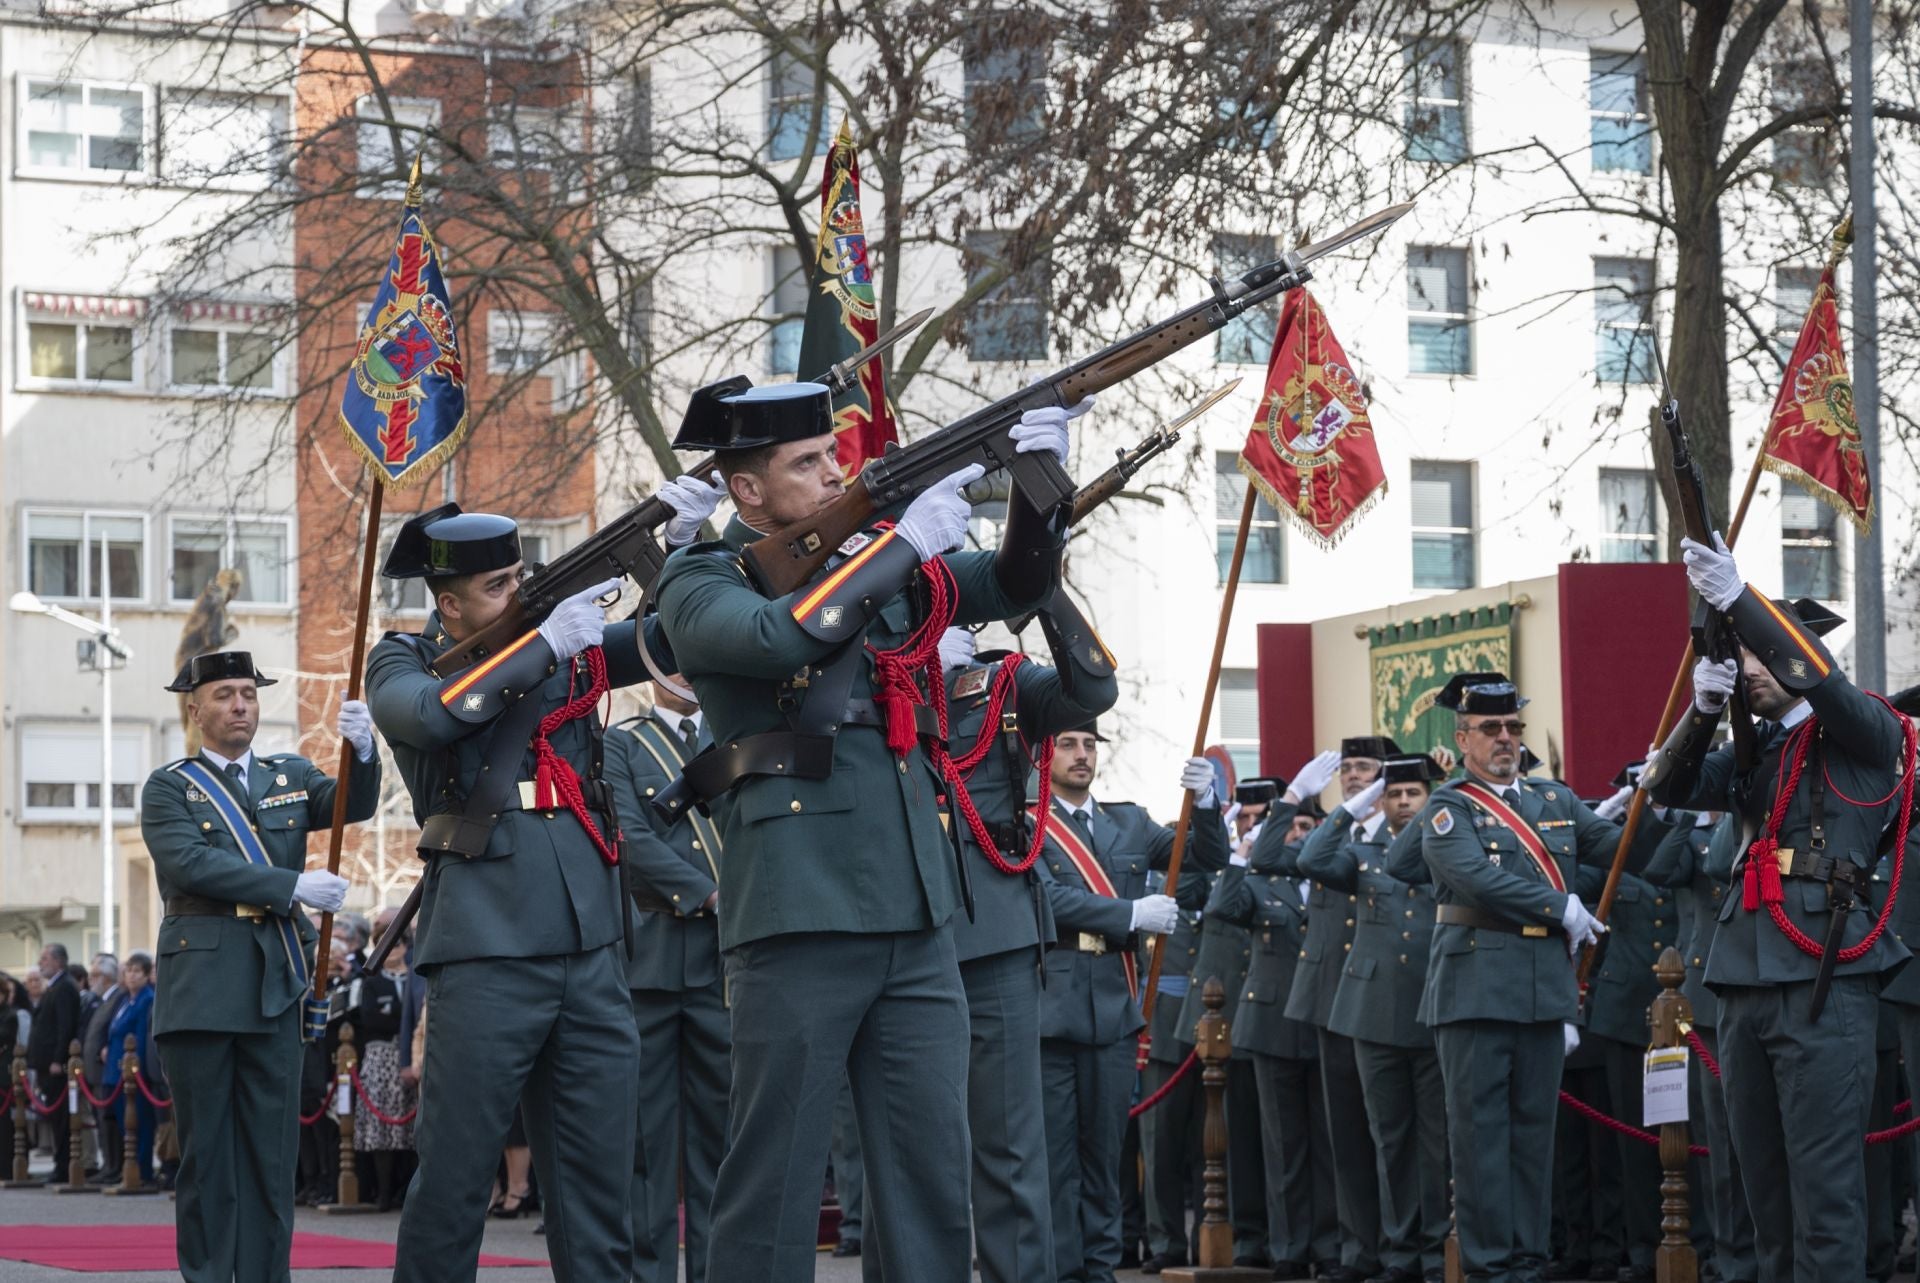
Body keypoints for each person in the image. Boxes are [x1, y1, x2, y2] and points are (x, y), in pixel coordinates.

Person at [652, 376, 1086, 1281]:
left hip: (918, 910)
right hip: (799, 911)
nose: (832, 470)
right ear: (748, 490)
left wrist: (1039, 481)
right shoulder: (700, 578)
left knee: (929, 1180)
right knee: (773, 1185)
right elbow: (782, 637)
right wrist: (903, 541)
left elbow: (1013, 583)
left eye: (831, 454)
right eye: (805, 462)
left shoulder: (871, 561)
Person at [368, 480, 719, 1283]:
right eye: (496, 586)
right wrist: (544, 644)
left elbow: (678, 638)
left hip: (592, 945)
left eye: (520, 576)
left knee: (602, 1184)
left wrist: (686, 548)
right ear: (449, 606)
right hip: (488, 946)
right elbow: (430, 715)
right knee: (454, 1179)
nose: (518, 592)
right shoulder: (408, 656)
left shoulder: (564, 647)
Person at [1646, 539, 1913, 1283]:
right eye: (1744, 656)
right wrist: (1701, 710)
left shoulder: (1864, 730)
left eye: (1762, 655)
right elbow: (1664, 786)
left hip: (1825, 972)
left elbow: (1827, 688)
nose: (1752, 670)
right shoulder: (1754, 751)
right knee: (1765, 1194)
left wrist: (1741, 601)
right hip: (1745, 976)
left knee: (1826, 1199)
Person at [141, 650, 379, 1282]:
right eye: (224, 695)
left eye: (248, 692)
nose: (240, 704)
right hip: (204, 989)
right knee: (209, 1158)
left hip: (276, 986)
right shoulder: (171, 787)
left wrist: (367, 748)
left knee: (273, 1160)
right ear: (195, 710)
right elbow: (191, 864)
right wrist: (291, 885)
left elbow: (350, 805)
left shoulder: (289, 775)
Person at [1386, 672, 1617, 1283]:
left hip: (1543, 991)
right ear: (1463, 738)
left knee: (1534, 1141)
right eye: (1491, 729)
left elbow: (1626, 851)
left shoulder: (1556, 801)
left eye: (1513, 727)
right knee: (1481, 1143)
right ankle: (1490, 1270)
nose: (1506, 738)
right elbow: (1475, 878)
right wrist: (1559, 906)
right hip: (1476, 991)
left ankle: (1527, 1262)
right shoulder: (1449, 807)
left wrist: (1668, 795)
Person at [936, 597, 1119, 1283]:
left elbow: (1091, 689)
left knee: (1012, 1150)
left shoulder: (998, 681)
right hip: (890, 919)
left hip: (994, 927)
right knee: (914, 1153)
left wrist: (1045, 589)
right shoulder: (860, 665)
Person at [1036, 721, 1229, 1283]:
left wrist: (1210, 802)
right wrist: (1130, 914)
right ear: (1044, 754)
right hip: (1052, 1008)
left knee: (1105, 1161)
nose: (1081, 755)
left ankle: (1099, 1273)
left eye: (1089, 745)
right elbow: (1046, 897)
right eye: (1068, 744)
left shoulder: (1129, 821)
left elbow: (1202, 857)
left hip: (1114, 1011)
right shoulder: (1026, 822)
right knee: (1057, 1163)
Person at [1301, 752, 1449, 1283]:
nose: (1405, 803)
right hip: (1372, 1012)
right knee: (1388, 1140)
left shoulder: (1449, 848)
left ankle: (1435, 1254)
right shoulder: (1361, 853)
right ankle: (1397, 1254)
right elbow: (1312, 861)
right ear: (1381, 802)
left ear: (1430, 799)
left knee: (1436, 1143)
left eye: (1414, 794)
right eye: (1395, 794)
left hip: (1432, 1010)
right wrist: (1351, 805)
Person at [606, 670, 730, 1283]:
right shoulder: (622, 744)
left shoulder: (740, 735)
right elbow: (629, 837)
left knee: (722, 1141)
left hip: (725, 966)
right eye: (670, 658)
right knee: (647, 1144)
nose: (684, 671)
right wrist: (709, 894)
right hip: (651, 963)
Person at [1285, 736, 1400, 1283]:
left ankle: (1401, 1246)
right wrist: (1294, 797)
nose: (1353, 776)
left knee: (1393, 1134)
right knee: (1346, 1136)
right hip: (1333, 999)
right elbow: (1270, 859)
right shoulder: (1331, 833)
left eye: (1365, 768)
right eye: (1348, 768)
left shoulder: (1403, 833)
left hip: (1388, 1000)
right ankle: (1358, 1251)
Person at [1215, 776, 1338, 1280]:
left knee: (1330, 1143)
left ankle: (1330, 1245)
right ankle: (1288, 1246)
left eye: (1311, 826)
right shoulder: (1265, 879)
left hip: (1326, 1020)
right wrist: (1239, 857)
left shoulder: (1334, 877)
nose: (1301, 835)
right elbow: (1224, 908)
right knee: (1283, 1144)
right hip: (1271, 1024)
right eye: (1294, 827)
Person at [24, 942, 81, 1183]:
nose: (40, 963)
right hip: (45, 1065)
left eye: (44, 959)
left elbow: (65, 1026)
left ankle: (63, 1167)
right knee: (55, 1119)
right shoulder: (54, 987)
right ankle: (59, 1164)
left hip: (55, 1066)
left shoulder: (65, 987)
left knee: (61, 1121)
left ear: (58, 961)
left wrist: (58, 1059)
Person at [102, 951, 157, 1183]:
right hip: (114, 1069)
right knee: (125, 1125)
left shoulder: (147, 999)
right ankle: (129, 1167)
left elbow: (143, 1038)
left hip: (133, 1071)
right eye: (128, 971)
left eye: (137, 971)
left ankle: (142, 1171)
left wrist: (138, 1070)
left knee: (140, 1123)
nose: (131, 976)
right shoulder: (125, 999)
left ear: (146, 975)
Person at [82, 953, 127, 1182]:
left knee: (108, 1122)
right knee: (101, 1122)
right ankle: (108, 1164)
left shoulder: (117, 997)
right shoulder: (103, 1000)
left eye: (94, 975)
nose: (90, 980)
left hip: (106, 1071)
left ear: (105, 977)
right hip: (95, 1073)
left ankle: (113, 1167)